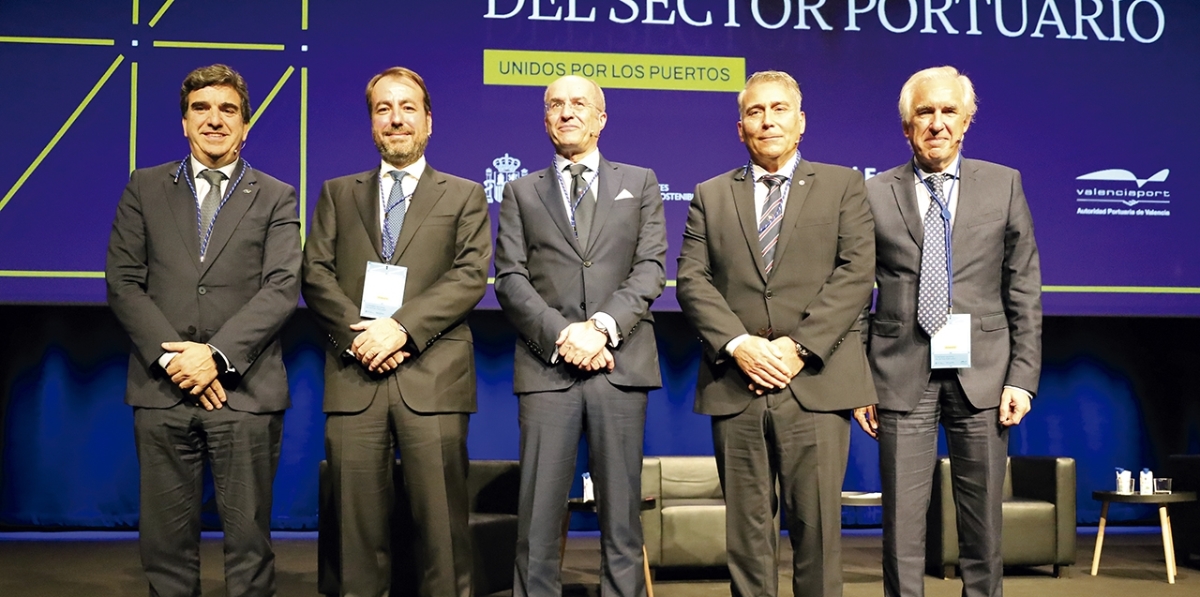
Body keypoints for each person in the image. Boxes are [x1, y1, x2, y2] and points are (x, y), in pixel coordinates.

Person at [676, 70, 877, 597]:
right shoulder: (710, 194)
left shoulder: (843, 185)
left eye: (779, 109)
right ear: (740, 126)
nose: (767, 121)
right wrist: (740, 345)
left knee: (816, 535)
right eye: (755, 112)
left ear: (801, 121)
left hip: (815, 384)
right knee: (746, 536)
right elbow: (692, 281)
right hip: (735, 384)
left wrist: (797, 346)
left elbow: (856, 273)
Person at [105, 63, 301, 597]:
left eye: (228, 110)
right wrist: (175, 360)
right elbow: (123, 282)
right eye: (201, 109)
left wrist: (213, 357)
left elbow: (282, 287)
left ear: (245, 125)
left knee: (249, 548)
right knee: (165, 549)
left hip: (245, 392)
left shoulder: (277, 195)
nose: (214, 120)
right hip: (161, 390)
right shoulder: (144, 187)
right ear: (185, 123)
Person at [300, 66, 491, 597]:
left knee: (443, 535)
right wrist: (362, 337)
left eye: (407, 107)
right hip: (354, 375)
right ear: (371, 124)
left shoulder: (465, 194)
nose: (396, 118)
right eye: (383, 109)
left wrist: (400, 330)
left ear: (428, 120)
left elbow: (470, 275)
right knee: (355, 535)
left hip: (433, 377)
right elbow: (314, 273)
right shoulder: (337, 193)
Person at [853, 65, 1041, 597]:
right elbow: (851, 297)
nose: (936, 123)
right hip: (898, 374)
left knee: (983, 526)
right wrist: (859, 380)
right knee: (902, 527)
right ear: (907, 127)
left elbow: (1023, 285)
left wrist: (1022, 378)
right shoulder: (870, 192)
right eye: (924, 113)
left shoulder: (1004, 183)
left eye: (948, 112)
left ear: (966, 121)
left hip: (984, 376)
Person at [494, 74, 667, 597]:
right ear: (545, 118)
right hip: (548, 368)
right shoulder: (520, 191)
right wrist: (565, 333)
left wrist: (600, 329)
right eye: (555, 105)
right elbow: (510, 278)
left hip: (621, 365)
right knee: (538, 519)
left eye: (579, 104)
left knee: (621, 519)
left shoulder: (639, 182)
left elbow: (651, 267)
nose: (567, 113)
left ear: (601, 118)